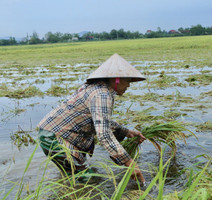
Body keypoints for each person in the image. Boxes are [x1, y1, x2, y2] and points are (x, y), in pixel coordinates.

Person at [37, 53, 146, 183]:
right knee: (88, 181)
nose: (128, 85)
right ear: (117, 79)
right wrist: (129, 162)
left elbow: (100, 121)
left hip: (53, 133)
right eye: (127, 81)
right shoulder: (102, 94)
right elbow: (104, 134)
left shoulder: (97, 88)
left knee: (74, 178)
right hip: (55, 137)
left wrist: (127, 132)